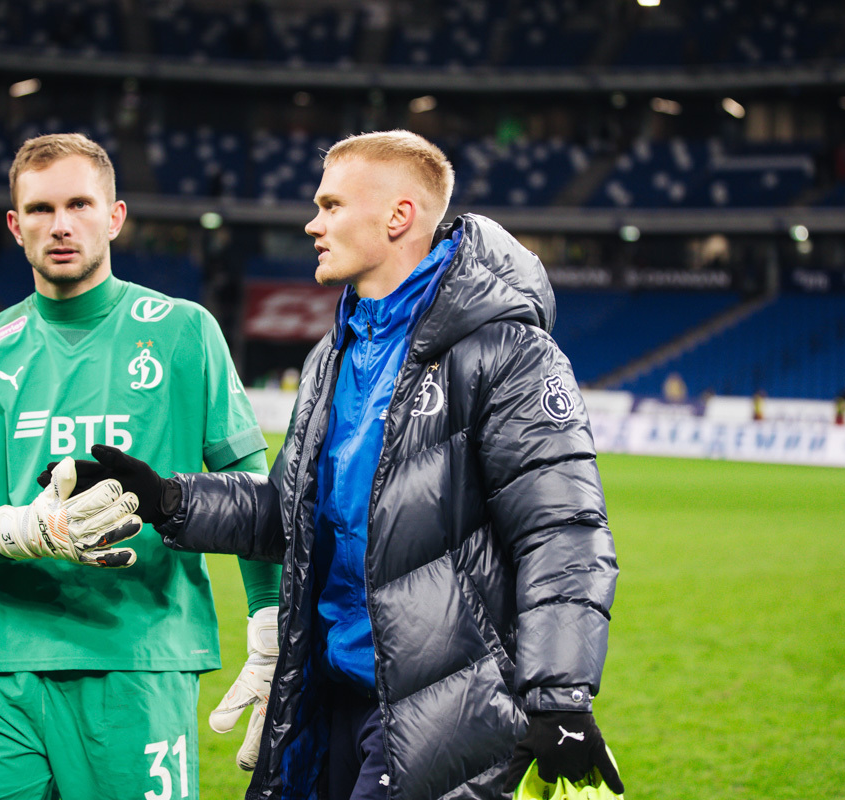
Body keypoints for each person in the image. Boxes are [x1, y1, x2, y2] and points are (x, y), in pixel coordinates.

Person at [63, 131, 622, 799]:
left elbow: (563, 532)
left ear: (399, 217)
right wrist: (168, 501)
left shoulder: (509, 353)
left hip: (438, 707)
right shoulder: (334, 354)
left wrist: (559, 695)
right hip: (325, 694)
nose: (312, 222)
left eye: (330, 205)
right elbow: (294, 515)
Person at [0, 133, 281, 800]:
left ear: (114, 216)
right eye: (40, 209)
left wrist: (269, 625)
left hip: (140, 663)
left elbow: (255, 498)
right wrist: (29, 530)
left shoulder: (184, 331)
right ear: (15, 225)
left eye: (80, 203)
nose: (61, 225)